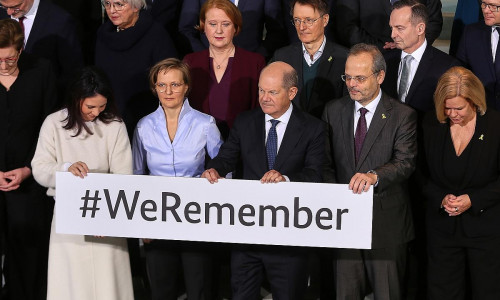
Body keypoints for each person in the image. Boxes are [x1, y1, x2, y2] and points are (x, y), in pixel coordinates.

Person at [202, 61, 326, 300]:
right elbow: (226, 158)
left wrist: (286, 179)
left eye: (272, 92)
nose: (264, 97)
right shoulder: (245, 121)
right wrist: (214, 169)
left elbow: (315, 174)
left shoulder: (313, 128)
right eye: (261, 90)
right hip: (248, 235)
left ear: (291, 92)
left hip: (289, 237)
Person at [322, 43, 417, 300]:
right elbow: (325, 163)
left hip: (386, 226)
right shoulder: (333, 110)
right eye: (348, 77)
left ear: (380, 77)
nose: (352, 84)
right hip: (344, 223)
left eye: (360, 78)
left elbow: (405, 162)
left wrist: (374, 176)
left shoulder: (402, 115)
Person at [31, 66, 134, 300]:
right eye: (90, 106)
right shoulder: (54, 123)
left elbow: (123, 174)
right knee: (71, 283)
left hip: (107, 215)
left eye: (102, 106)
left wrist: (105, 217)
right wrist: (65, 169)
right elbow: (40, 168)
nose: (96, 112)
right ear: (77, 99)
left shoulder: (115, 125)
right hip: (69, 216)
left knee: (108, 283)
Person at [132, 58, 222, 300]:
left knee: (198, 289)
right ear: (154, 88)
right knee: (161, 290)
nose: (168, 91)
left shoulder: (205, 124)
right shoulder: (143, 127)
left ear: (186, 87)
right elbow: (137, 175)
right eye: (161, 85)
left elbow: (225, 170)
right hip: (157, 217)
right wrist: (142, 223)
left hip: (196, 218)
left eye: (174, 85)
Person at [422, 66, 500, 300]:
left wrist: (473, 200)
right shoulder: (431, 123)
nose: (452, 114)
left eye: (459, 108)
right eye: (447, 107)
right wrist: (440, 197)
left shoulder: (496, 126)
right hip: (442, 230)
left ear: (475, 101)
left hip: (485, 229)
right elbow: (419, 172)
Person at [0, 19, 56, 300]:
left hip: (28, 177)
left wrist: (29, 169)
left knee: (28, 252)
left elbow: (50, 126)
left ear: (20, 51)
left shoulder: (41, 71)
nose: (3, 66)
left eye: (9, 59)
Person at [183, 0, 265, 139]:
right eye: (213, 24)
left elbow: (259, 112)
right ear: (203, 25)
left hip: (241, 146)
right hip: (198, 146)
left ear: (235, 27)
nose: (219, 30)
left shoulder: (255, 63)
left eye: (226, 24)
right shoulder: (190, 62)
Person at [95, 0, 177, 137]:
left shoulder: (156, 34)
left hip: (149, 124)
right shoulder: (102, 36)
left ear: (136, 7)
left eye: (119, 4)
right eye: (108, 4)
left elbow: (171, 83)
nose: (112, 10)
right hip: (109, 122)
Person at [271, 0, 347, 119]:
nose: (302, 27)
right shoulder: (282, 57)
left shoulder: (344, 58)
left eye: (309, 20)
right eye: (297, 20)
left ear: (325, 20)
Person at [0, 0, 84, 103]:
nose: (9, 12)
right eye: (4, 6)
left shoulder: (60, 20)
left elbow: (72, 72)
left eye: (16, 6)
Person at [383, 0, 460, 113]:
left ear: (420, 29)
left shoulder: (447, 67)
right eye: (392, 28)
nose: (393, 35)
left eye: (399, 28)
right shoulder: (386, 61)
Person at [179, 0, 287, 59]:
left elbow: (276, 30)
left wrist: (256, 57)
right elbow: (186, 29)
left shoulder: (254, 63)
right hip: (207, 66)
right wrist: (205, 56)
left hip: (249, 66)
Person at [334, 0, 442, 52]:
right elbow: (348, 27)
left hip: (413, 55)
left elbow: (434, 22)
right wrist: (382, 47)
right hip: (369, 56)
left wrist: (410, 43)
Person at [456, 1, 500, 110]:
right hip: (481, 111)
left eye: (493, 6)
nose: (485, 10)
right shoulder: (471, 32)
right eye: (484, 4)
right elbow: (460, 73)